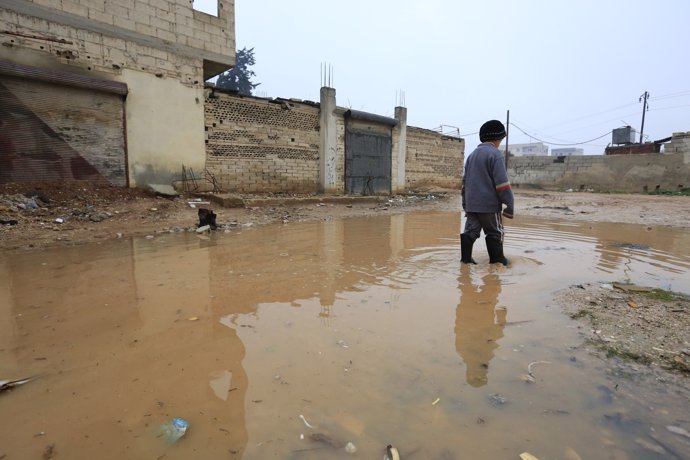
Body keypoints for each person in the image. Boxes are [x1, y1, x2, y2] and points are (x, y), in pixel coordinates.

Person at [460, 120, 514, 265]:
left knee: (470, 232)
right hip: (489, 206)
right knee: (495, 232)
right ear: (498, 138)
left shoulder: (471, 156)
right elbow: (502, 184)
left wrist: (466, 204)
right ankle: (497, 261)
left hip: (471, 205)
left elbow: (464, 184)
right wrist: (509, 205)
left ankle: (465, 261)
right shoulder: (495, 155)